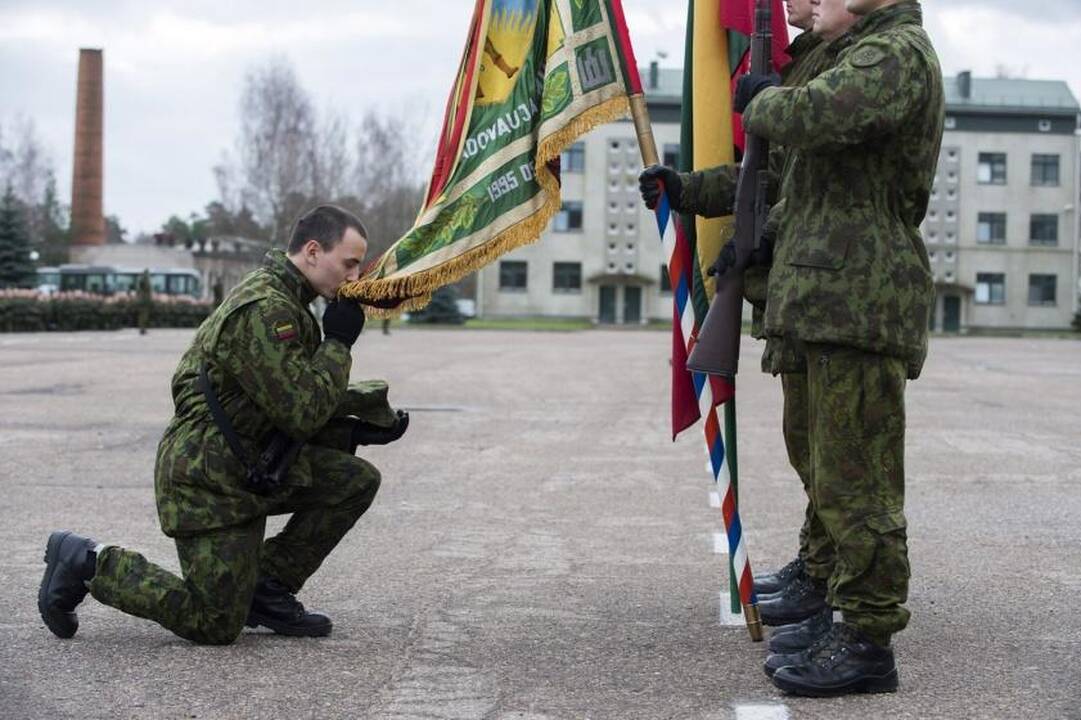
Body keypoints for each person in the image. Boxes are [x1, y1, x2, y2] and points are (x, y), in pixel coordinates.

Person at [38, 204, 410, 645]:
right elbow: (301, 408)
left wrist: (350, 431)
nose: (353, 277)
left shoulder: (288, 302)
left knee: (354, 481)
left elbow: (275, 399)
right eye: (349, 263)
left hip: (247, 462)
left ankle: (266, 588)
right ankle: (88, 562)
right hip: (206, 477)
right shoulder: (264, 310)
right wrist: (338, 343)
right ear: (313, 251)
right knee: (213, 622)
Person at [735, 0, 944, 696]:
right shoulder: (866, 49)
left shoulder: (896, 53)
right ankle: (839, 609)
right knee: (831, 470)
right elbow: (794, 183)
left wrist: (765, 102)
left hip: (862, 294)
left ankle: (865, 639)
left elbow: (819, 115)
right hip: (833, 293)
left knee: (860, 483)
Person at [637, 0, 859, 631]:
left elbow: (798, 189)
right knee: (811, 450)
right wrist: (685, 189)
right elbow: (762, 178)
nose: (801, 6)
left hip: (836, 289)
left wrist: (764, 237)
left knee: (842, 463)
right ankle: (819, 570)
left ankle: (853, 607)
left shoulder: (869, 62)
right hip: (808, 290)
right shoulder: (821, 60)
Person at [135, 268, 152, 335]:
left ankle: (142, 329)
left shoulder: (140, 281)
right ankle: (142, 329)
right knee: (144, 316)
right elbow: (147, 288)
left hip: (141, 301)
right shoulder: (145, 281)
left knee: (142, 316)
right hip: (144, 301)